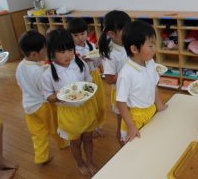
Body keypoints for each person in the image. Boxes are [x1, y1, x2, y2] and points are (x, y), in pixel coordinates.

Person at [42, 29, 99, 176]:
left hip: (86, 108)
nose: (68, 54)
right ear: (52, 52)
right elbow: (48, 96)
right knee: (75, 142)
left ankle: (90, 160)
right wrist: (58, 97)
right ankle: (80, 163)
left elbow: (89, 80)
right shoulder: (48, 73)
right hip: (69, 113)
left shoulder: (79, 63)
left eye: (70, 49)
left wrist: (89, 88)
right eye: (62, 51)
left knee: (88, 138)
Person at [16, 30, 69, 165]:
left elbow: (21, 83)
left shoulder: (21, 65)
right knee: (55, 126)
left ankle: (41, 157)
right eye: (44, 49)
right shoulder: (39, 72)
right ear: (34, 54)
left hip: (29, 106)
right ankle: (63, 143)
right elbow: (46, 91)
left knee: (38, 133)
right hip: (43, 106)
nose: (46, 51)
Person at [116, 21, 168, 143]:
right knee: (133, 150)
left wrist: (159, 105)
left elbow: (153, 84)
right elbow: (121, 102)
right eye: (150, 46)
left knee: (150, 143)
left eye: (154, 44)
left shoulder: (150, 62)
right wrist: (131, 127)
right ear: (134, 49)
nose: (154, 49)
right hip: (135, 119)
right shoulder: (126, 74)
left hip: (150, 111)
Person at [68, 17, 106, 138]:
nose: (80, 37)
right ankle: (91, 127)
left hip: (95, 75)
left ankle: (99, 125)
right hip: (82, 79)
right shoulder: (70, 50)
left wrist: (97, 58)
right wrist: (80, 60)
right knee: (90, 104)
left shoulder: (90, 45)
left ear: (87, 32)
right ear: (70, 36)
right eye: (76, 35)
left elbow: (97, 62)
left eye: (83, 33)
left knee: (100, 102)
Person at [98, 10, 131, 145]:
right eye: (125, 30)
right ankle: (122, 149)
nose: (129, 33)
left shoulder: (127, 42)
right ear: (111, 34)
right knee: (122, 123)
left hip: (132, 90)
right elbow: (109, 79)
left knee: (132, 120)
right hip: (120, 93)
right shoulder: (111, 53)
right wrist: (129, 72)